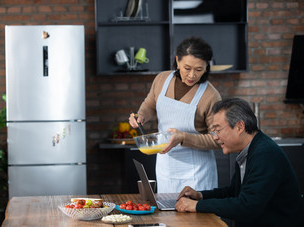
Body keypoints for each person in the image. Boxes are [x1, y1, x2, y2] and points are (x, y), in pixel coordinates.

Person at [175, 98, 304, 227]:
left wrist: (198, 206)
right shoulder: (250, 149)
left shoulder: (265, 153)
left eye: (218, 130)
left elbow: (247, 206)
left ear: (239, 127)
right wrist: (200, 195)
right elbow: (234, 192)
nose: (215, 137)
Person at [129, 37, 222, 193]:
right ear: (177, 61)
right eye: (187, 68)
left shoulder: (210, 96)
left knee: (197, 217)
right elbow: (150, 105)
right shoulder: (161, 80)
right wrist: (142, 115)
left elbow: (218, 139)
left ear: (207, 67)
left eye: (199, 69)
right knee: (168, 215)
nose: (192, 75)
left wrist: (184, 138)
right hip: (166, 167)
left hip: (197, 173)